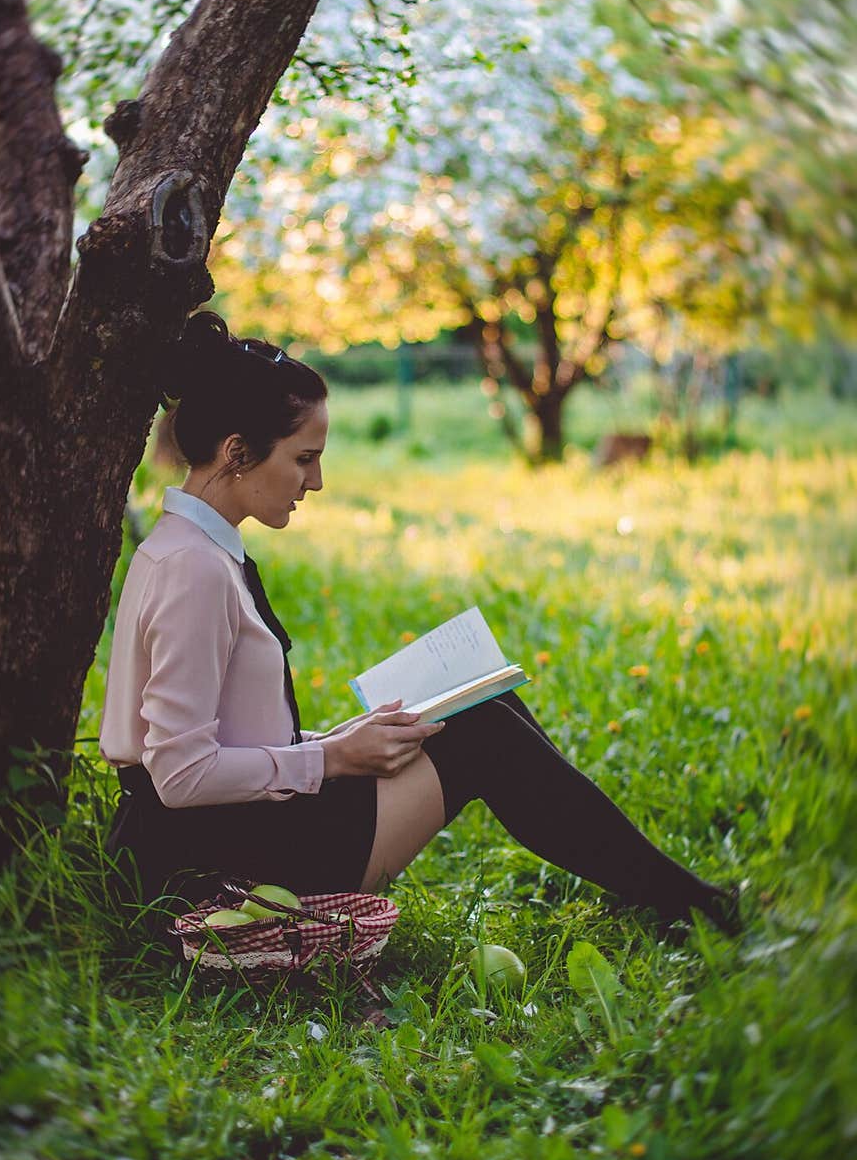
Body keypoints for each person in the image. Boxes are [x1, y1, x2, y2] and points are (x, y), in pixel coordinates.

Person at [100, 311, 740, 938]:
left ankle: (668, 894)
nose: (315, 481)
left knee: (485, 703)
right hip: (222, 863)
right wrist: (331, 757)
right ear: (238, 452)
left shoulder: (193, 548)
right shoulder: (193, 569)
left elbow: (220, 737)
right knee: (486, 731)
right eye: (303, 459)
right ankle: (691, 906)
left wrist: (344, 741)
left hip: (239, 826)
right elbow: (179, 776)